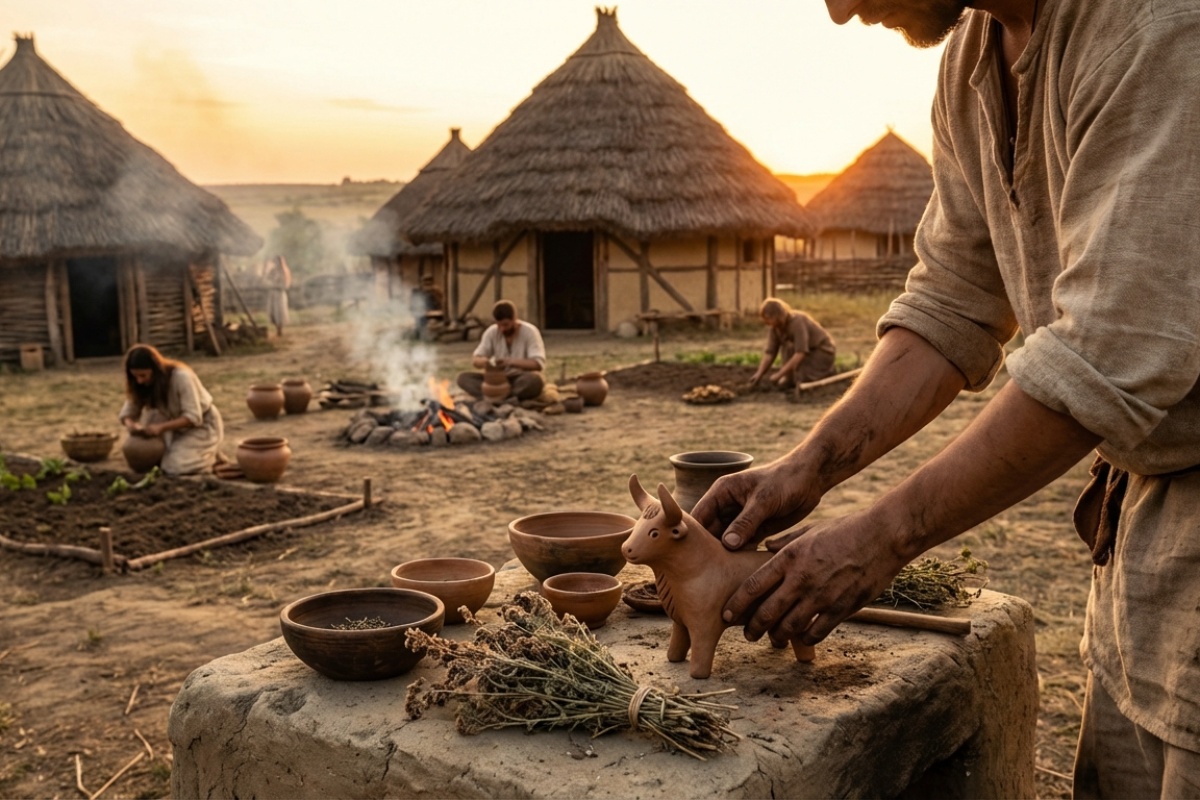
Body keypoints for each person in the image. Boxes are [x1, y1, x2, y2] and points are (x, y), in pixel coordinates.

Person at [691, 1, 1200, 796]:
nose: (838, 10)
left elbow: (1109, 352)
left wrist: (880, 539)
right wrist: (807, 467)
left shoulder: (1157, 30)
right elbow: (953, 301)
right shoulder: (971, 59)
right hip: (1141, 534)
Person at [118, 344, 224, 476]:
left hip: (202, 426)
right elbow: (128, 411)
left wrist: (161, 428)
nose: (139, 380)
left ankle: (210, 458)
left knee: (173, 467)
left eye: (143, 375)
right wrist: (132, 426)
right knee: (154, 462)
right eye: (135, 376)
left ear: (155, 370)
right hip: (173, 428)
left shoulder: (181, 377)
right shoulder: (139, 383)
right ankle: (192, 452)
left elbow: (193, 417)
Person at [457, 300, 546, 402]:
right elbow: (476, 360)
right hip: (497, 380)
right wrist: (485, 362)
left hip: (520, 379)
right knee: (463, 379)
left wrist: (510, 362)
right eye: (499, 325)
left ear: (514, 319)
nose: (502, 329)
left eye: (505, 325)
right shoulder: (492, 332)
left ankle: (498, 396)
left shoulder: (530, 332)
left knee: (535, 380)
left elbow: (538, 364)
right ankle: (505, 397)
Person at [748, 297, 837, 390]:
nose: (766, 322)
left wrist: (779, 374)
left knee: (802, 379)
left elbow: (800, 353)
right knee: (788, 352)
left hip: (821, 351)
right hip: (806, 353)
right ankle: (791, 376)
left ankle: (826, 372)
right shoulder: (774, 328)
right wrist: (759, 374)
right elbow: (770, 353)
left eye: (768, 318)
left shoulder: (797, 322)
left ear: (777, 315)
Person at [263, 255, 292, 337]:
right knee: (274, 311)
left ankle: (280, 329)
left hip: (280, 293)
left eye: (277, 261)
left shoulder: (284, 271)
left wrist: (276, 285)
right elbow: (267, 280)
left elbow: (285, 284)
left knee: (280, 311)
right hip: (273, 293)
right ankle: (276, 328)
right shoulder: (273, 271)